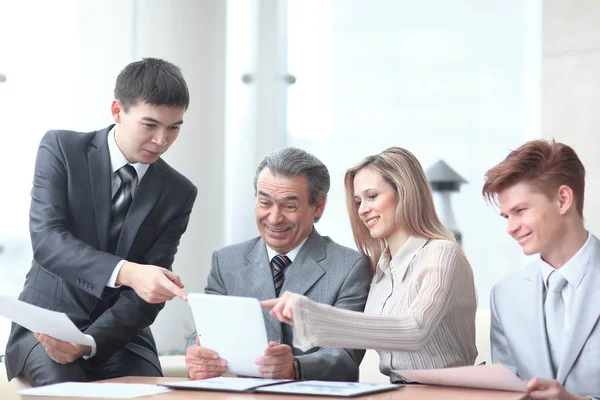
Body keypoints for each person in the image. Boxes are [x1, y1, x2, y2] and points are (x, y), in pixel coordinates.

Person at [5, 58, 198, 386]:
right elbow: (48, 241)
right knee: (67, 390)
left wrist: (91, 342)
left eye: (174, 127)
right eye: (150, 125)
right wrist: (130, 272)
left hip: (120, 336)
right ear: (117, 111)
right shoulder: (62, 149)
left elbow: (146, 296)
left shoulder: (178, 192)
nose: (162, 140)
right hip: (47, 326)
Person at [263, 147, 478, 383]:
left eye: (372, 196)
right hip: (398, 390)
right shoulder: (380, 271)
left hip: (449, 392)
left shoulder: (442, 253)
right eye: (358, 201)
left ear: (405, 193)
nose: (363, 210)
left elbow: (413, 331)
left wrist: (312, 315)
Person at [185, 147, 370, 382]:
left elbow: (346, 355)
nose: (274, 218)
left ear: (319, 205)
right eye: (265, 202)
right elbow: (205, 332)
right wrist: (199, 355)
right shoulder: (226, 261)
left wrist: (294, 368)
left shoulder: (350, 267)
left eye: (289, 206)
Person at [482, 139, 599, 400]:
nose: (510, 228)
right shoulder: (504, 295)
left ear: (563, 199)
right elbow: (509, 389)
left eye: (520, 210)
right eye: (506, 216)